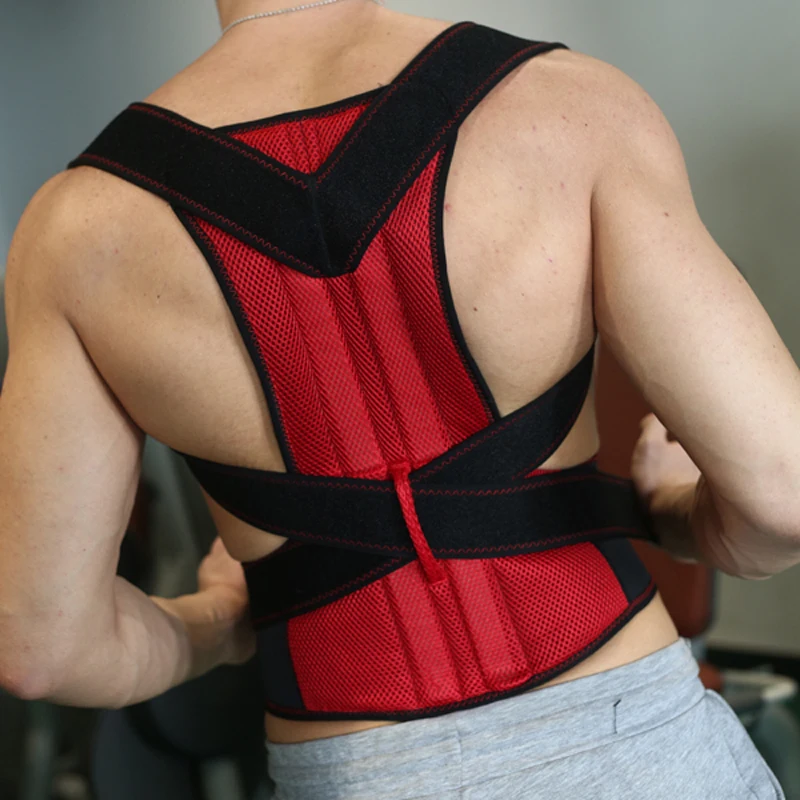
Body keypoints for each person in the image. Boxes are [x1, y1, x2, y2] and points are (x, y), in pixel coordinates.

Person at [0, 0, 797, 797]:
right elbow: (784, 499)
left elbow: (43, 650)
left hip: (356, 771)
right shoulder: (572, 107)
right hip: (640, 746)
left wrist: (214, 619)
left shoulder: (75, 233)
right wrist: (674, 515)